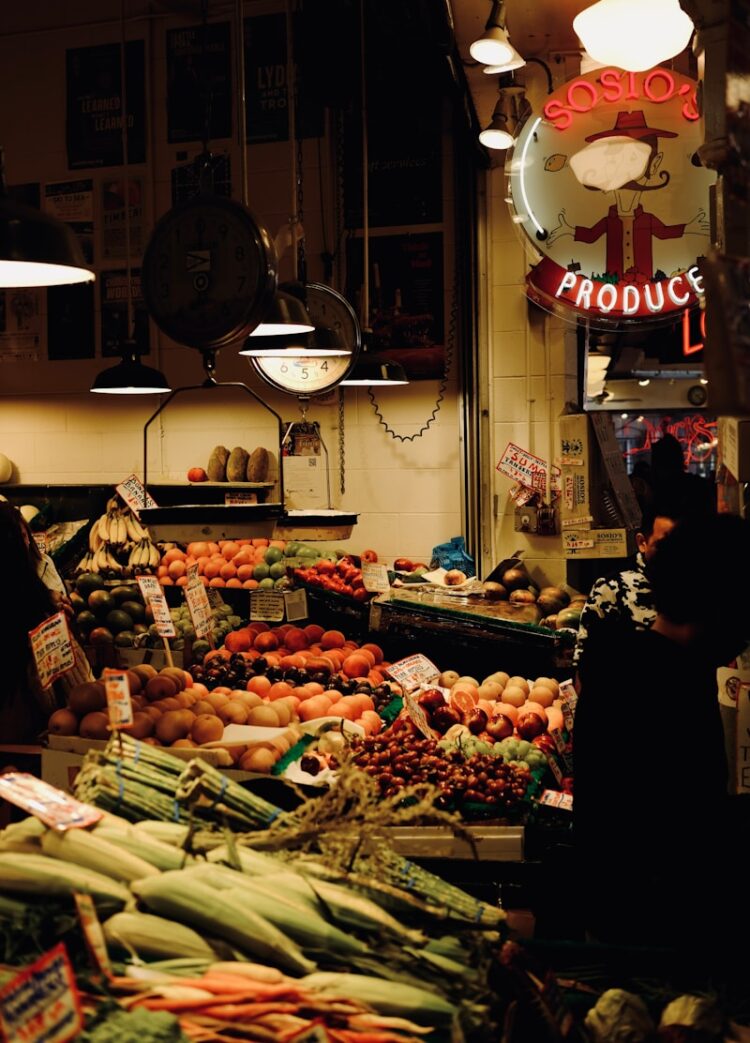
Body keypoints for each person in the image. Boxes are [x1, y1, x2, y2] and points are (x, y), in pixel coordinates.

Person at [572, 513, 750, 952]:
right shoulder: (665, 688)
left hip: (626, 920)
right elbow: (678, 834)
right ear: (721, 605)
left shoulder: (624, 663)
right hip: (652, 940)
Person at [0, 503, 91, 743]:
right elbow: (74, 688)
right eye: (22, 534)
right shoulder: (35, 605)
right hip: (27, 736)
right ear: (21, 539)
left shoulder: (37, 597)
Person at [572, 504, 677, 671]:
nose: (673, 554)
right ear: (642, 543)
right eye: (663, 545)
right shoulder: (611, 588)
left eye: (680, 545)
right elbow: (584, 665)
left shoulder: (693, 587)